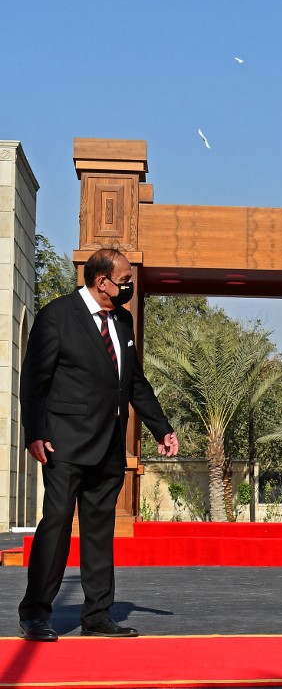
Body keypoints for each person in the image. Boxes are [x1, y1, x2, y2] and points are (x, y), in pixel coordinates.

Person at [18, 248, 179, 642]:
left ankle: (97, 616)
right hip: (63, 444)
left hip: (109, 447)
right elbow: (34, 380)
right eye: (124, 279)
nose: (129, 285)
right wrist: (35, 433)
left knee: (98, 530)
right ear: (101, 280)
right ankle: (36, 613)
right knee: (55, 526)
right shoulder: (57, 316)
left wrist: (162, 428)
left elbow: (133, 381)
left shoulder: (122, 320)